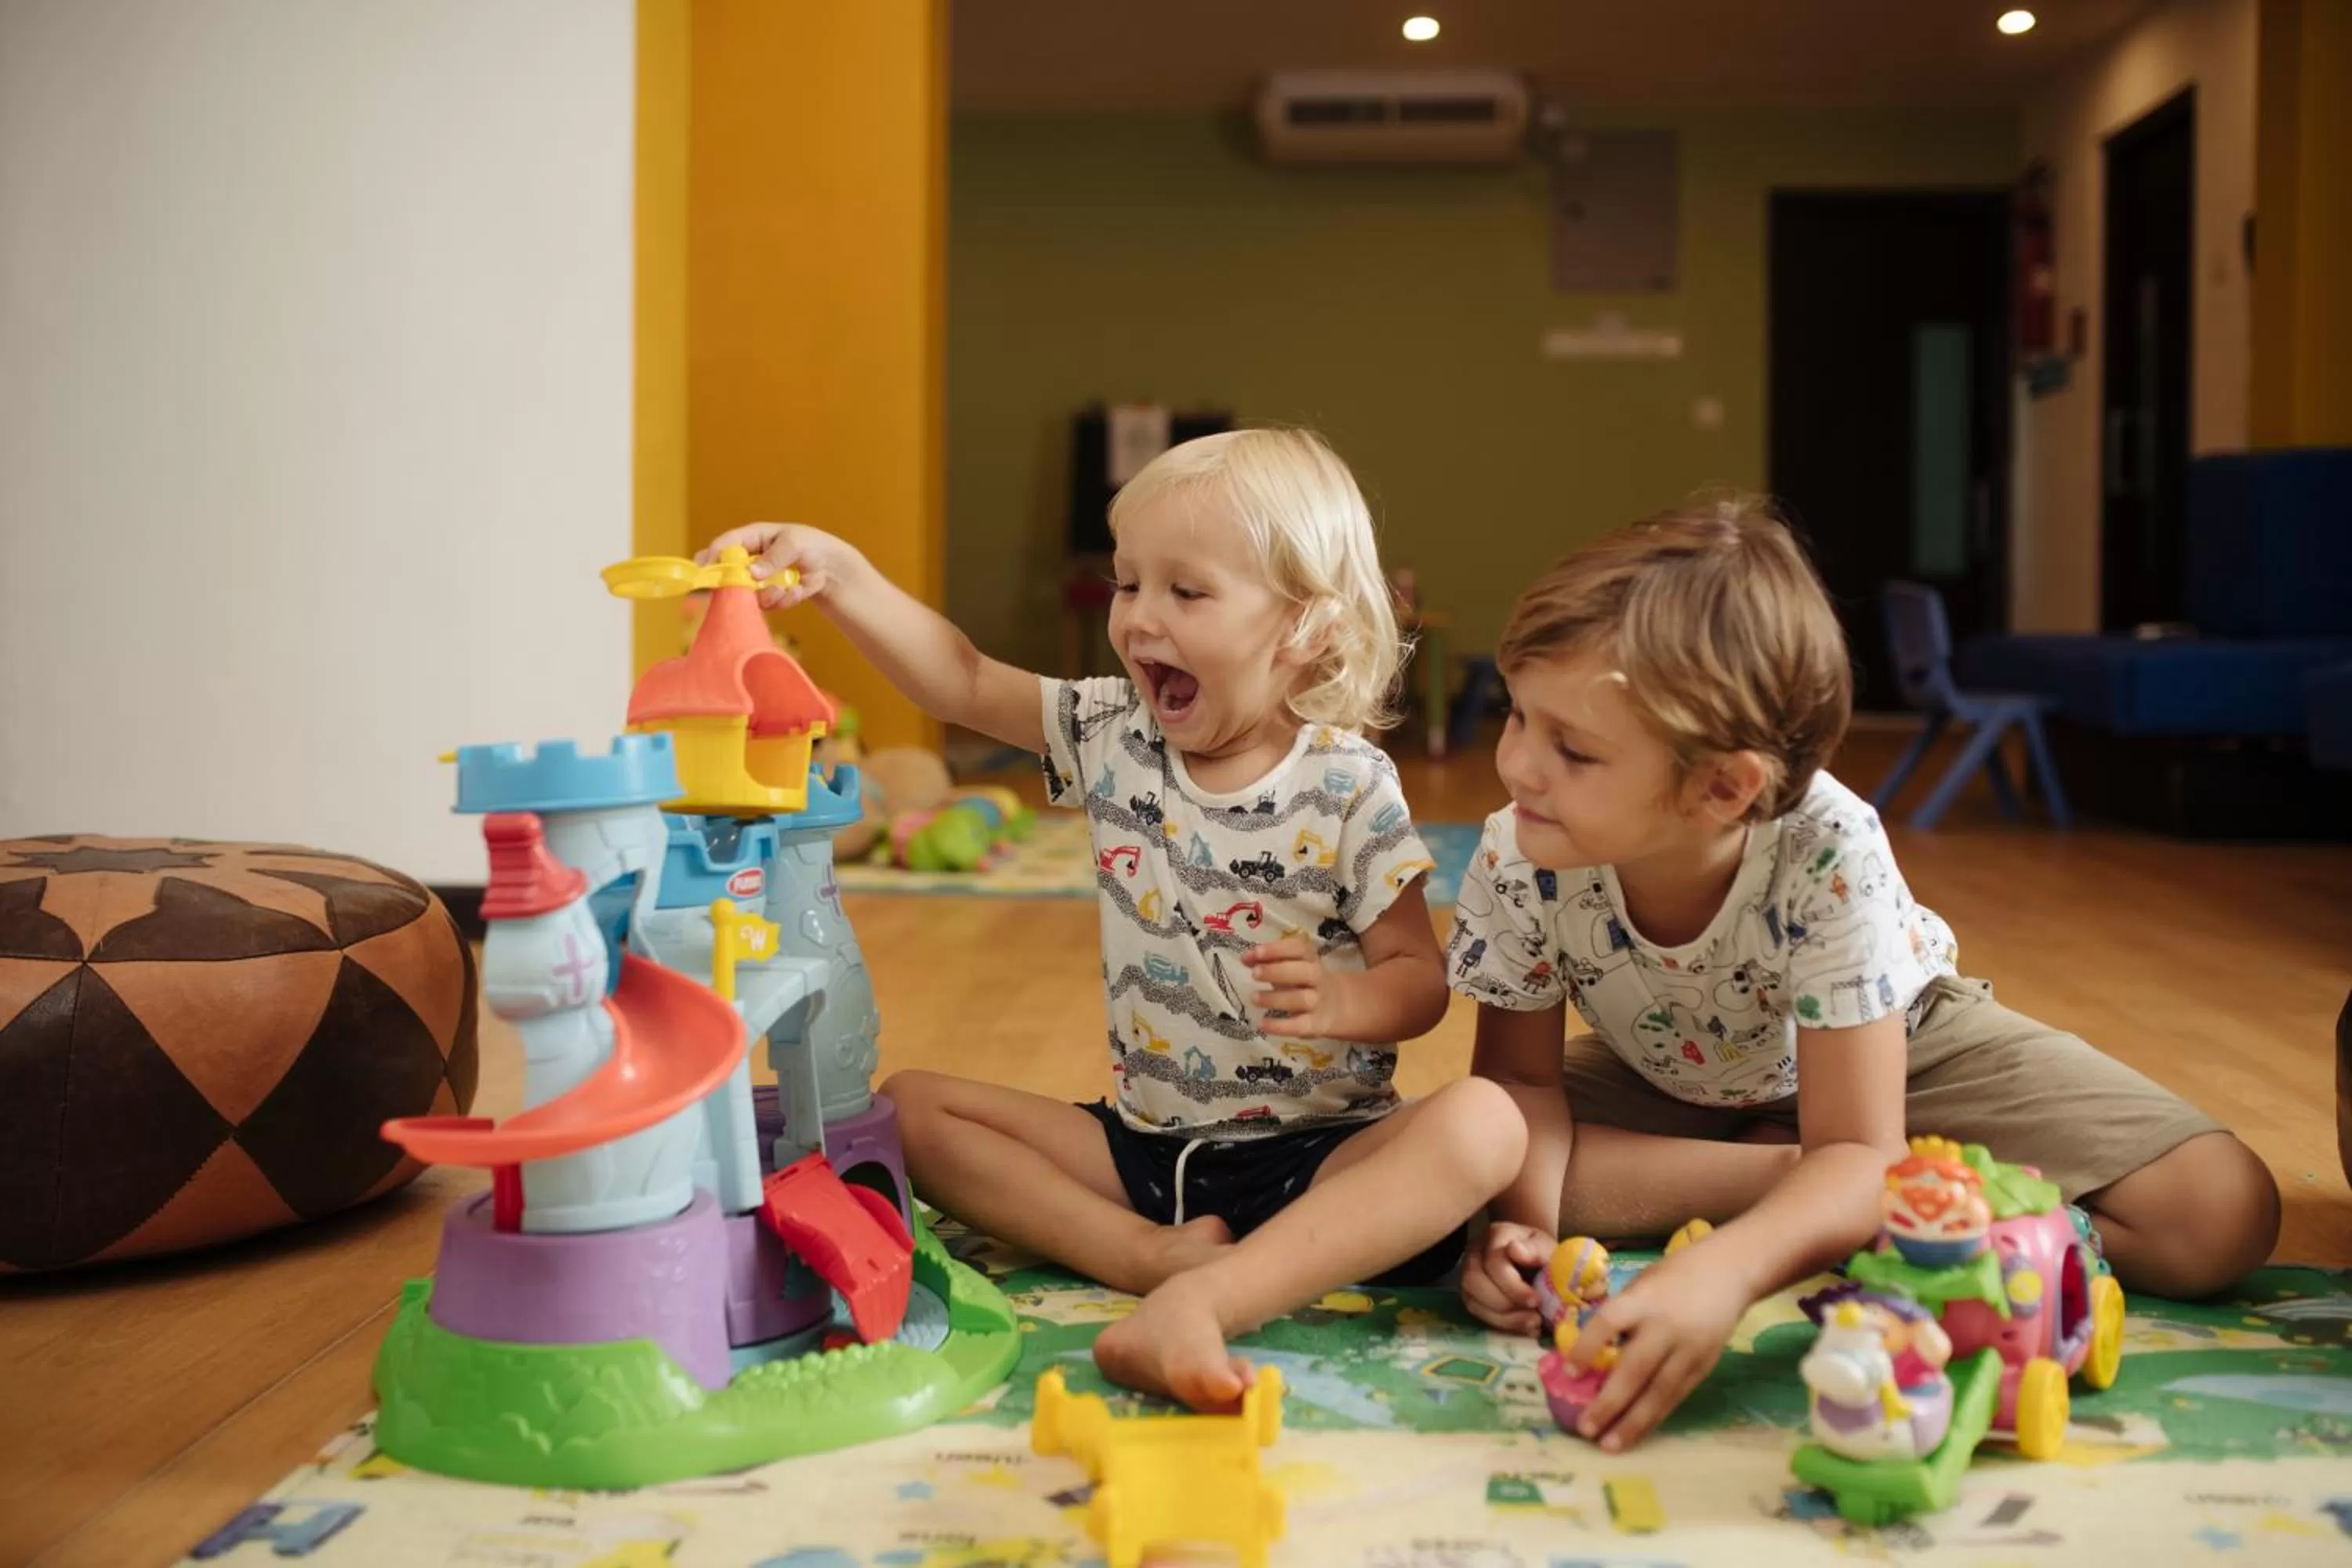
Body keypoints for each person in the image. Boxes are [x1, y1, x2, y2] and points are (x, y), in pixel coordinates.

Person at [699, 427, 1525, 1409]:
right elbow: (959, 677)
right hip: (1145, 1150)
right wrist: (840, 573)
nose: (1139, 619)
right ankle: (1147, 1256)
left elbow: (1418, 979)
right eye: (1129, 584)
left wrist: (1345, 1002)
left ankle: (1224, 1283)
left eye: (1187, 590)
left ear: (1302, 626)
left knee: (1483, 1123)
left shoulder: (1351, 785)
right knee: (911, 1106)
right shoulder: (1109, 736)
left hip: (1323, 1155)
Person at [1450, 493, 2280, 1450]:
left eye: (1572, 747)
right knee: (1455, 1154)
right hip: (1670, 1076)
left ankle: (1842, 1191)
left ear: (1725, 786)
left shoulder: (1826, 846)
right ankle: (1812, 1183)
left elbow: (1856, 1139)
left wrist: (1728, 1268)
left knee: (2219, 1212)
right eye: (1518, 715)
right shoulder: (1523, 849)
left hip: (1901, 1046)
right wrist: (1522, 1235)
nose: (1517, 765)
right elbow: (1517, 1085)